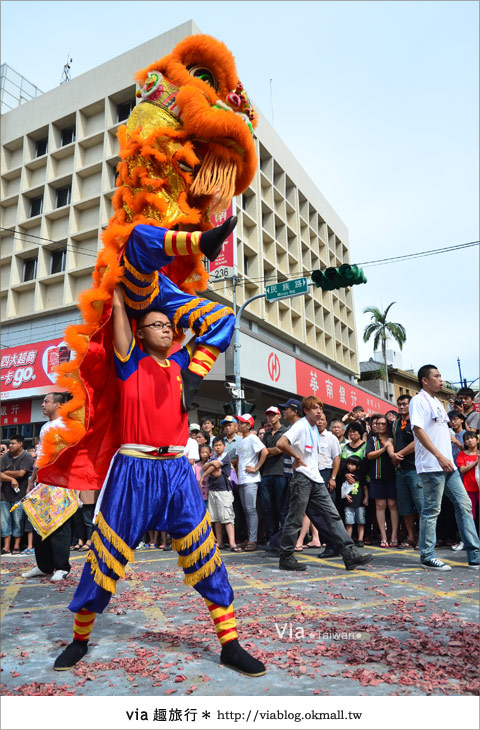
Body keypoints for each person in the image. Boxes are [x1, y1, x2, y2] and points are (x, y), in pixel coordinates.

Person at [53, 286, 265, 676]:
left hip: (177, 472)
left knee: (206, 554)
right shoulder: (128, 360)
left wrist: (169, 300)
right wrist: (122, 290)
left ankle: (230, 644)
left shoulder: (185, 364)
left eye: (170, 326)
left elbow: (224, 321)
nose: (166, 330)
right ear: (139, 331)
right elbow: (120, 307)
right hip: (132, 471)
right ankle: (79, 640)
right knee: (104, 558)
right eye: (157, 325)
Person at [276, 396, 373, 572]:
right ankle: (286, 556)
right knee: (295, 519)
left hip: (317, 479)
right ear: (305, 411)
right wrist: (296, 457)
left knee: (333, 516)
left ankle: (349, 554)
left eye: (320, 408)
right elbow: (281, 443)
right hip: (302, 479)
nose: (319, 411)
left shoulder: (314, 428)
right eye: (315, 408)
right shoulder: (300, 426)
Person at [410, 364, 479, 571]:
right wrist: (439, 456)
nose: (441, 379)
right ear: (425, 380)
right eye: (437, 376)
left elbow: (442, 431)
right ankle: (427, 555)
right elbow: (418, 430)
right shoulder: (418, 401)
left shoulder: (439, 403)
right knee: (432, 510)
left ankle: (474, 554)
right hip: (432, 466)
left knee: (464, 505)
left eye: (441, 375)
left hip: (449, 466)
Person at [20, 393, 77, 581]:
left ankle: (62, 567)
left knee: (59, 523)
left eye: (47, 401)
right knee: (39, 522)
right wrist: (32, 481)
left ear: (58, 405)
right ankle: (44, 565)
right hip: (43, 481)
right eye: (43, 401)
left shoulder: (65, 425)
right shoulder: (45, 427)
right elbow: (40, 457)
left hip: (59, 481)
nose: (43, 404)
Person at [386, 395, 423, 549]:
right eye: (399, 404)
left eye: (404, 404)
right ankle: (411, 537)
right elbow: (389, 441)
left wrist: (399, 454)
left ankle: (424, 538)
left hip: (416, 469)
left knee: (421, 505)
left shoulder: (416, 421)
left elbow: (417, 442)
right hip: (400, 470)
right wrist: (392, 454)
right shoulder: (394, 424)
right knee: (405, 507)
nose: (401, 407)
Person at [235, 414, 268, 552]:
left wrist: (256, 468)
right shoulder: (241, 441)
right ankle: (250, 537)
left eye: (241, 423)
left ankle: (253, 540)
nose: (239, 424)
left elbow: (264, 452)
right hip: (242, 480)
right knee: (246, 510)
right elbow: (238, 461)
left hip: (251, 480)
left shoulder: (253, 438)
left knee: (251, 510)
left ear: (248, 425)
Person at [203, 437, 241, 552]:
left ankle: (232, 543)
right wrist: (211, 466)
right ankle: (219, 542)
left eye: (219, 445)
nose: (218, 447)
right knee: (216, 519)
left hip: (224, 490)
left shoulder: (226, 456)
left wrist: (205, 474)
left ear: (224, 446)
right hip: (213, 490)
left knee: (227, 518)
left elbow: (216, 467)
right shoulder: (213, 458)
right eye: (215, 446)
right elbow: (205, 466)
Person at [366, 415, 399, 547]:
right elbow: (369, 455)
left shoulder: (394, 440)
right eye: (377, 424)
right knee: (380, 506)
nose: (379, 426)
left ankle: (394, 535)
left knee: (393, 505)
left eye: (383, 424)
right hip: (377, 476)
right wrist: (384, 449)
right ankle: (383, 536)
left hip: (392, 476)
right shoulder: (372, 440)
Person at [1, 435, 34, 555]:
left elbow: (21, 473)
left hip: (19, 496)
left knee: (18, 521)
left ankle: (16, 546)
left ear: (20, 444)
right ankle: (6, 547)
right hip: (5, 494)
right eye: (10, 443)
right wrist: (11, 479)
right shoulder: (5, 456)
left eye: (13, 443)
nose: (10, 445)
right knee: (5, 521)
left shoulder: (27, 457)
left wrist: (6, 473)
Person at [259, 407, 287, 544]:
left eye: (273, 415)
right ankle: (271, 539)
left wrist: (267, 452)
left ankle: (282, 540)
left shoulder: (285, 431)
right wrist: (269, 451)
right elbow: (261, 451)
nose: (270, 418)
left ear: (279, 416)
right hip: (266, 474)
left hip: (280, 473)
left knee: (281, 508)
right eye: (268, 416)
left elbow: (279, 449)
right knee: (267, 508)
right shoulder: (266, 434)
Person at [341, 455, 368, 545]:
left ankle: (360, 539)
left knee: (361, 522)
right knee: (349, 523)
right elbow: (343, 489)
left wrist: (366, 498)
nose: (349, 466)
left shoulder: (360, 476)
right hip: (348, 504)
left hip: (360, 503)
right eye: (348, 464)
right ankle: (349, 539)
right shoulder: (345, 477)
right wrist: (345, 496)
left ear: (358, 466)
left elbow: (365, 488)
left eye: (353, 464)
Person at [456, 432, 479, 521]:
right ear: (464, 442)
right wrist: (476, 462)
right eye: (467, 439)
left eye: (472, 438)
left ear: (477, 440)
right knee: (470, 515)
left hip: (479, 487)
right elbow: (462, 470)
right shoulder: (462, 454)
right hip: (468, 489)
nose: (470, 440)